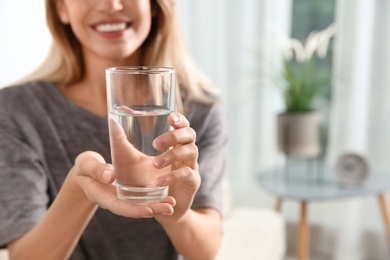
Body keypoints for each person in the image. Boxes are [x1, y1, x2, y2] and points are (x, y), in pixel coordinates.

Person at [0, 0, 228, 259]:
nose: (111, 5)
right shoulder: (17, 110)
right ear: (61, 8)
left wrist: (175, 215)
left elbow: (206, 249)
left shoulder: (200, 109)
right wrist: (80, 188)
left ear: (155, 5)